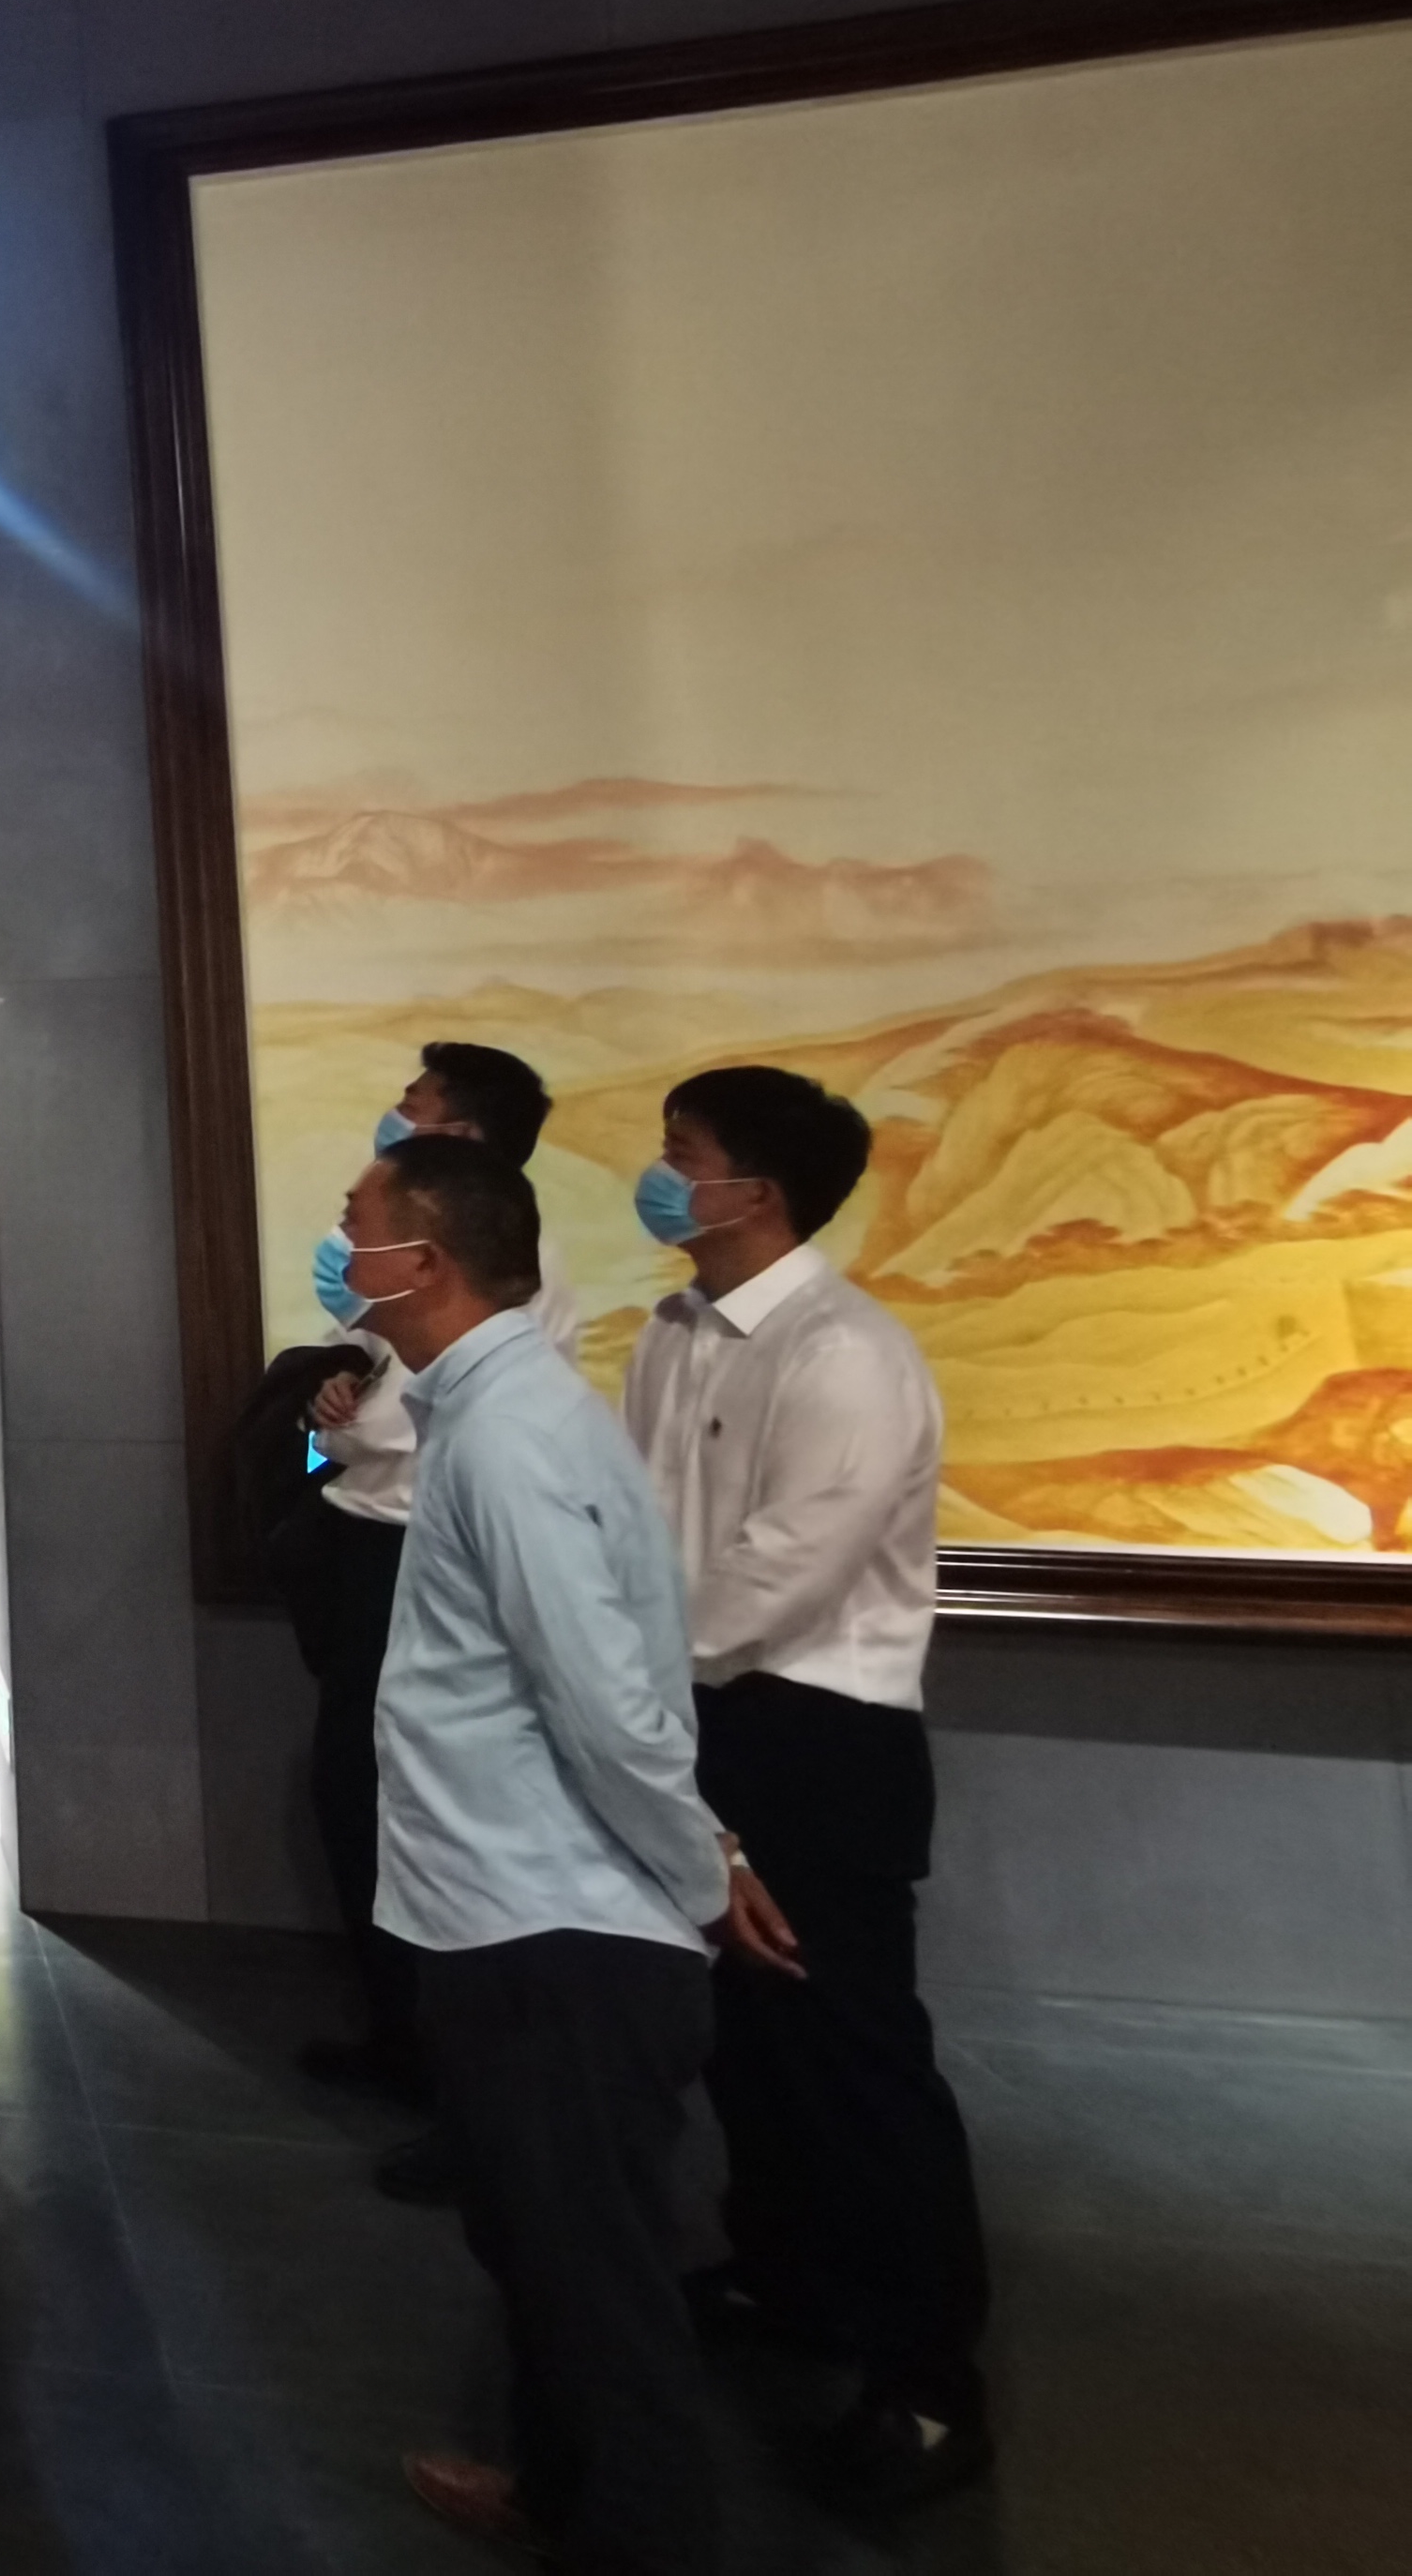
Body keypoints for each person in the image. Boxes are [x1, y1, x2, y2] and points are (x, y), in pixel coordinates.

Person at [340, 1130, 796, 2576]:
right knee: (537, 2248)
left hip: (557, 1926)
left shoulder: (515, 1438)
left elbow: (601, 1698)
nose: (342, 1250)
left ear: (424, 1261)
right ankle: (559, 2492)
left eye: (358, 1225)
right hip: (505, 1905)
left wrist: (702, 1865)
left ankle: (641, 2538)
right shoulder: (489, 1410)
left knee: (595, 2277)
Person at [623, 1066, 992, 2508]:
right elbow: (646, 1525)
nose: (660, 1175)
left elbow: (783, 1573)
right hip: (695, 1711)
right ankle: (788, 2278)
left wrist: (623, 1668)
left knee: (851, 2058)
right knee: (745, 2040)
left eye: (682, 1154)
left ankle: (928, 2378)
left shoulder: (847, 1353)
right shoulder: (672, 1332)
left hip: (819, 1738)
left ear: (756, 1193)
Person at [289, 1042, 583, 2117]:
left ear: (460, 1137)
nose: (392, 1119)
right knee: (358, 1795)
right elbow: (364, 1404)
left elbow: (419, 1434)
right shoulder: (406, 1273)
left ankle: (456, 2081)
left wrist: (349, 1432)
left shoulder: (512, 1274)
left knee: (416, 1806)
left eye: (411, 1107)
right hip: (364, 1545)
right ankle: (401, 2036)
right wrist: (331, 1407)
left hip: (424, 1553)